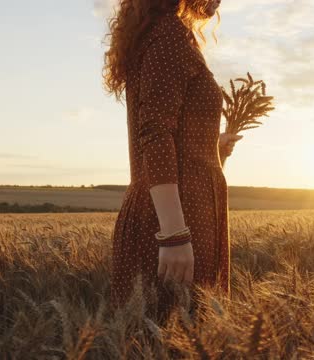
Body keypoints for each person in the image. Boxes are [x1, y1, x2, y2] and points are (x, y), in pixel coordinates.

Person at [101, 0, 243, 324]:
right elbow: (154, 132)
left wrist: (212, 145)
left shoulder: (169, 34)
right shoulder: (167, 34)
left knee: (185, 334)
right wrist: (174, 234)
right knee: (170, 336)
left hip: (185, 214)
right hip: (176, 219)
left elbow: (170, 130)